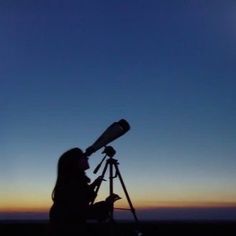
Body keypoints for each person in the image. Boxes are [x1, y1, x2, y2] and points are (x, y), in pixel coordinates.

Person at [49, 147, 103, 235]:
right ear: (74, 162)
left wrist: (94, 184)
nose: (86, 158)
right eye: (83, 157)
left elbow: (82, 195)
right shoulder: (73, 183)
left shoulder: (74, 180)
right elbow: (79, 209)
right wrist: (106, 204)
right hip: (67, 227)